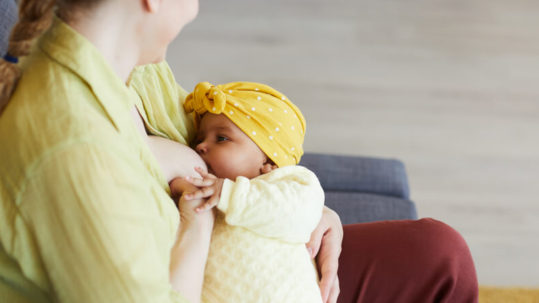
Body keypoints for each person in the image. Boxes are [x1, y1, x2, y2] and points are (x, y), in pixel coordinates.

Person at [0, 0, 478, 302]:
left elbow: (229, 151)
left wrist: (302, 205)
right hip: (217, 278)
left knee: (439, 255)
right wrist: (200, 217)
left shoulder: (132, 66)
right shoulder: (74, 154)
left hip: (249, 253)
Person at [177, 81, 325, 302]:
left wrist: (229, 194)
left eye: (222, 138)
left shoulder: (290, 182)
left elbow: (299, 215)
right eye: (199, 139)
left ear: (269, 159)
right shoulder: (209, 195)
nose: (200, 146)